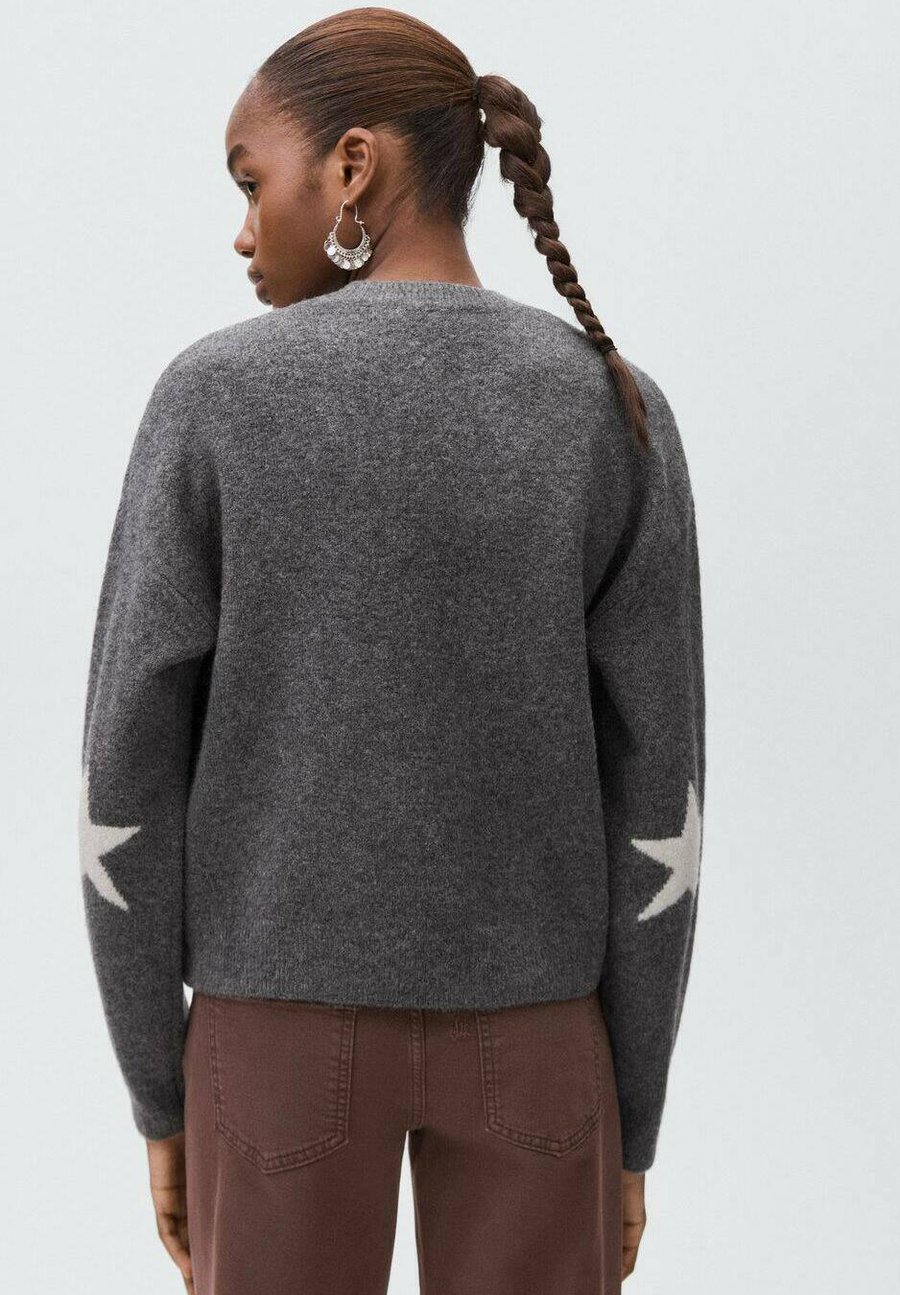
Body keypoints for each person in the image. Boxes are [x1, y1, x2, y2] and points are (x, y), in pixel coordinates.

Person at [77, 8, 705, 1293]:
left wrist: (159, 1085)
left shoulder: (214, 398)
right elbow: (662, 797)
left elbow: (126, 763)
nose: (243, 231)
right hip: (541, 1039)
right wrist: (632, 1113)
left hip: (270, 1041)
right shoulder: (611, 409)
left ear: (353, 166)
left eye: (252, 183)